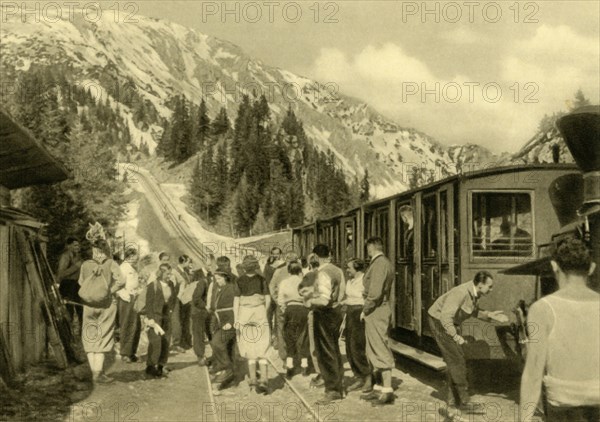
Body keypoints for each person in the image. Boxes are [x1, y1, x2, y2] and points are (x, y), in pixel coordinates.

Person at [520, 238, 599, 422]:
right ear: (592, 268)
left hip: (563, 410)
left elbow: (533, 371)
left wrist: (524, 418)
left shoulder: (542, 309)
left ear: (554, 266)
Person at [428, 271, 509, 409]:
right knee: (457, 359)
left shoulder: (473, 293)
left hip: (447, 322)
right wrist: (456, 336)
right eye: (489, 287)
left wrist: (490, 315)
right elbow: (445, 317)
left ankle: (453, 401)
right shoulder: (461, 292)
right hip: (439, 322)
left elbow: (472, 311)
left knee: (455, 359)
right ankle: (464, 401)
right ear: (480, 284)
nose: (491, 289)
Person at [78, 238, 125, 384]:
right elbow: (122, 281)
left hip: (88, 305)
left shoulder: (85, 264)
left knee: (90, 336)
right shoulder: (111, 263)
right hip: (106, 305)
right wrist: (109, 291)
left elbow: (81, 282)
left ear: (93, 250)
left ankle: (94, 372)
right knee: (103, 336)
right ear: (106, 250)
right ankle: (98, 374)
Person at [306, 244, 346, 404]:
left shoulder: (322, 274)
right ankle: (338, 382)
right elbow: (342, 293)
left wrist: (309, 301)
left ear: (315, 256)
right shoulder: (338, 270)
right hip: (336, 312)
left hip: (323, 314)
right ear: (330, 254)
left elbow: (323, 299)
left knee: (325, 352)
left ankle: (333, 390)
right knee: (334, 349)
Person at [359, 238, 395, 406]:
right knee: (372, 348)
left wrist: (365, 309)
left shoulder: (379, 264)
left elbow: (374, 293)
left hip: (376, 310)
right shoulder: (382, 262)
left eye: (367, 248)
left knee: (379, 347)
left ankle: (387, 391)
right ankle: (378, 387)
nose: (367, 251)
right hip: (377, 309)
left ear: (371, 247)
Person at [233, 255, 271, 394]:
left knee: (249, 345)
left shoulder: (239, 280)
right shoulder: (262, 280)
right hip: (259, 311)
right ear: (256, 266)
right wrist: (263, 311)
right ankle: (265, 379)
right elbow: (268, 299)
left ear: (244, 267)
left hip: (244, 312)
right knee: (263, 343)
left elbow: (236, 301)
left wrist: (237, 318)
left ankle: (253, 378)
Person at [141, 263, 177, 378]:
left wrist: (170, 310)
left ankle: (161, 366)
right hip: (155, 318)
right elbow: (148, 303)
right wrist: (150, 319)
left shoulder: (171, 284)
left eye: (170, 273)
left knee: (166, 341)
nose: (169, 276)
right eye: (167, 273)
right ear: (161, 273)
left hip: (166, 317)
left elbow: (173, 298)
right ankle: (150, 366)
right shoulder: (153, 285)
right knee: (156, 342)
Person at [278, 259, 311, 379]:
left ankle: (290, 365)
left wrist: (284, 309)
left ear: (289, 271)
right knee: (303, 336)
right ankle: (304, 365)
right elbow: (309, 297)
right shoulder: (305, 282)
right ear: (300, 270)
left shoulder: (284, 282)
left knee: (289, 336)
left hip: (290, 309)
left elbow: (280, 299)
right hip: (302, 309)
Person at [343, 259, 372, 393]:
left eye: (349, 268)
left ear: (357, 269)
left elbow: (368, 298)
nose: (347, 270)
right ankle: (358, 376)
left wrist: (364, 312)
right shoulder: (350, 281)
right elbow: (349, 298)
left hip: (359, 314)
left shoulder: (364, 280)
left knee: (357, 346)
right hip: (349, 312)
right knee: (349, 347)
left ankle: (367, 378)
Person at [209, 269, 238, 388]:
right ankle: (225, 370)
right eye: (216, 279)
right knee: (219, 344)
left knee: (217, 343)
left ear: (225, 278)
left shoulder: (231, 288)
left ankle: (227, 368)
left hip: (229, 322)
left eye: (219, 279)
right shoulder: (219, 288)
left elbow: (236, 306)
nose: (217, 281)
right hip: (219, 321)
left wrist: (231, 322)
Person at [298, 253, 323, 387]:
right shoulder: (328, 273)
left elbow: (301, 291)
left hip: (314, 310)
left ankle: (319, 371)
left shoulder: (309, 276)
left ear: (309, 264)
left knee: (313, 342)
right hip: (328, 311)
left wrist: (310, 295)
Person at [269, 252, 297, 361]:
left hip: (281, 304)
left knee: (281, 330)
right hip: (295, 305)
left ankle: (284, 356)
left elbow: (272, 286)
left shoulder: (278, 271)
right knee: (294, 329)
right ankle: (294, 355)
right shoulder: (299, 272)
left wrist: (277, 300)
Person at [117, 247, 142, 363]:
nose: (137, 259)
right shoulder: (123, 268)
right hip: (127, 299)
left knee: (136, 326)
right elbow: (117, 286)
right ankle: (125, 353)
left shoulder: (132, 267)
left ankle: (132, 352)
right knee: (127, 325)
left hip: (134, 297)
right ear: (130, 256)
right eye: (135, 257)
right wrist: (126, 297)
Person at [56, 237, 83, 332]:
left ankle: (81, 334)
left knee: (80, 309)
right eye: (75, 245)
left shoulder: (77, 256)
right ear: (69, 246)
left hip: (76, 285)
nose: (78, 247)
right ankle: (68, 335)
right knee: (69, 311)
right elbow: (61, 273)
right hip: (67, 285)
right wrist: (76, 267)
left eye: (78, 245)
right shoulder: (65, 256)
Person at [174, 255, 195, 351]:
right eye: (188, 262)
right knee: (180, 320)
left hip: (186, 298)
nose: (189, 264)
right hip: (180, 298)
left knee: (186, 321)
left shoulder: (185, 271)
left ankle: (186, 341)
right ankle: (180, 342)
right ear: (184, 262)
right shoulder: (176, 271)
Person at [191, 268, 209, 366]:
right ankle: (201, 356)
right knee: (199, 334)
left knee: (198, 334)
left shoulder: (194, 283)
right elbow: (197, 298)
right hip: (199, 311)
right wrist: (206, 306)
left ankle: (201, 355)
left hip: (196, 312)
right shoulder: (202, 282)